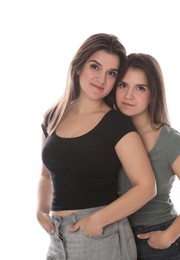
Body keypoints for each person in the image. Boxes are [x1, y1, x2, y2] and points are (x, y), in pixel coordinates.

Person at [36, 34, 157, 260]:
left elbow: (146, 187)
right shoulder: (53, 116)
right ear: (79, 66)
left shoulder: (116, 123)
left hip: (101, 236)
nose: (102, 79)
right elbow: (46, 174)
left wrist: (97, 220)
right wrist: (41, 210)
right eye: (95, 67)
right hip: (58, 238)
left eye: (111, 73)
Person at [116, 53, 180, 260]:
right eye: (123, 85)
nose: (129, 95)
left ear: (153, 93)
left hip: (158, 242)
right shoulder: (112, 134)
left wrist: (169, 235)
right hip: (119, 239)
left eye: (140, 88)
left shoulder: (168, 140)